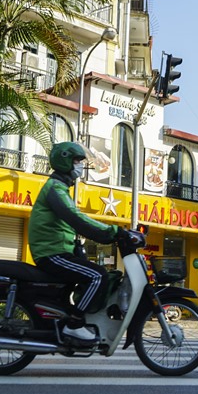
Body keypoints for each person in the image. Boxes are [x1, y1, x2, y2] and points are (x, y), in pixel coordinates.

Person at [29, 141, 133, 342]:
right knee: (98, 275)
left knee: (92, 273)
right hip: (51, 253)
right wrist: (113, 232)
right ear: (65, 160)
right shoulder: (55, 189)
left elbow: (70, 222)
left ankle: (70, 319)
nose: (80, 165)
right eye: (77, 160)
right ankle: (74, 324)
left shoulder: (59, 189)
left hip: (57, 250)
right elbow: (76, 219)